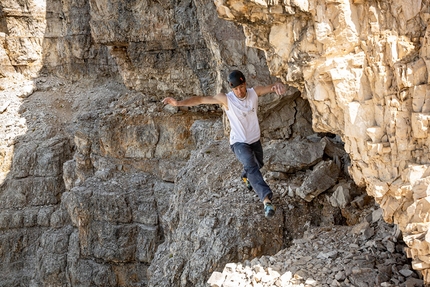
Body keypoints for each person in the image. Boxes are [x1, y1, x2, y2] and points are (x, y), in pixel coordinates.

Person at [163, 70, 286, 218]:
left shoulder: (254, 92)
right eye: (235, 89)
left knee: (258, 164)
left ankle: (245, 177)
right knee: (251, 166)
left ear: (245, 83)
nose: (239, 92)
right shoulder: (226, 99)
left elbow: (271, 87)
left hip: (254, 140)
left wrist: (278, 85)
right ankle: (266, 201)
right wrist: (178, 103)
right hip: (238, 143)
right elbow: (201, 99)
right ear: (231, 88)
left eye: (241, 87)